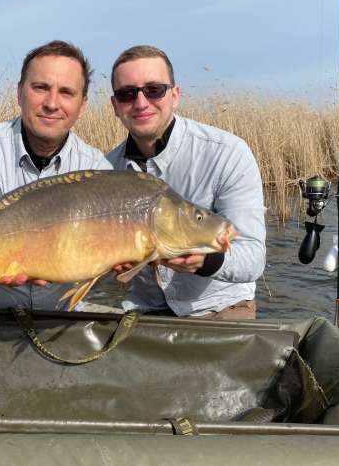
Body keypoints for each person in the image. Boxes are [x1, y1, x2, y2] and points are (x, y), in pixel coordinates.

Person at [0, 40, 112, 309]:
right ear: (19, 93)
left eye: (66, 92)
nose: (51, 103)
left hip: (59, 318)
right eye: (41, 88)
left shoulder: (97, 170)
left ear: (82, 106)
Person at [107, 45, 266, 319]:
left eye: (154, 89)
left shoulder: (227, 152)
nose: (141, 102)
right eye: (127, 94)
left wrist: (207, 261)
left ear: (175, 95)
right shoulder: (107, 169)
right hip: (145, 309)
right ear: (115, 106)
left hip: (219, 308)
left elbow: (253, 256)